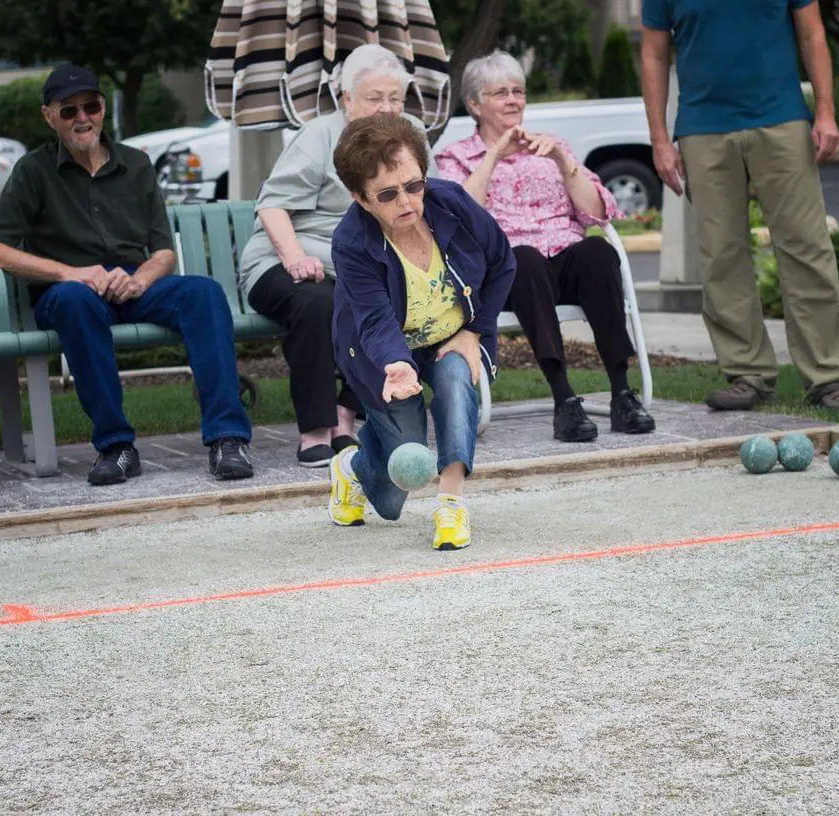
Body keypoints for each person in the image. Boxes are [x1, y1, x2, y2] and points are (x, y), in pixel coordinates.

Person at [0, 64, 255, 486]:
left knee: (204, 294)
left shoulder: (136, 165)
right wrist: (71, 273)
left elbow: (162, 251)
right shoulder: (34, 172)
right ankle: (116, 446)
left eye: (90, 106)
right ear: (48, 116)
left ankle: (228, 439)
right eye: (68, 111)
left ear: (103, 108)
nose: (82, 117)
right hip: (70, 291)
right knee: (75, 302)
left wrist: (140, 280)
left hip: (131, 284)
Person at [640, 1, 839, 413]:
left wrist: (826, 111)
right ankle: (748, 375)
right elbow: (654, 52)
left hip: (781, 120)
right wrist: (659, 138)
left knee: (807, 248)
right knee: (721, 255)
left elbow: (812, 33)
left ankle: (827, 379)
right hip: (703, 128)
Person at [436, 50, 655, 443]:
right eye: (500, 93)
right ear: (474, 104)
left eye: (518, 91)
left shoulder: (551, 147)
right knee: (523, 259)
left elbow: (596, 212)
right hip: (508, 276)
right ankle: (564, 400)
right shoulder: (456, 157)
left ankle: (622, 393)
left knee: (598, 252)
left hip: (565, 262)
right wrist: (493, 157)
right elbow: (459, 219)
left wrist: (560, 159)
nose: (512, 100)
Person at [240, 44, 438, 468]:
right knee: (321, 300)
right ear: (347, 98)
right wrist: (294, 257)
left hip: (363, 267)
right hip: (288, 259)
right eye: (374, 97)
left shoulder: (410, 137)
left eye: (395, 98)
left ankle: (348, 413)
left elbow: (426, 205)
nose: (387, 108)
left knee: (398, 298)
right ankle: (315, 427)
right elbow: (273, 207)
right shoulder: (321, 135)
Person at [327, 114, 515, 550]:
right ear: (361, 198)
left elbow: (503, 262)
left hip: (452, 336)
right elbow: (373, 320)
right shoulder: (351, 242)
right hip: (381, 353)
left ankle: (451, 506)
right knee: (401, 479)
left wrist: (476, 331)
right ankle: (353, 468)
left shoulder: (451, 203)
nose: (407, 202)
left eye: (414, 185)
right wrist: (396, 365)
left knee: (455, 378)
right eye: (388, 195)